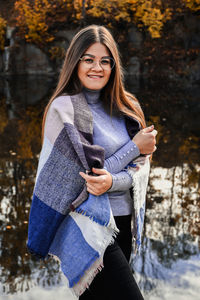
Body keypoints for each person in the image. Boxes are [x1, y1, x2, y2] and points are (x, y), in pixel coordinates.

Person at [27, 25, 157, 300]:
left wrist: (113, 181)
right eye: (88, 59)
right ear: (75, 63)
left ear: (113, 66)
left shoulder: (128, 107)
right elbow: (84, 176)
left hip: (124, 221)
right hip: (88, 227)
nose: (97, 67)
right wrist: (134, 147)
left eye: (105, 61)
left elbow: (141, 168)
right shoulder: (64, 108)